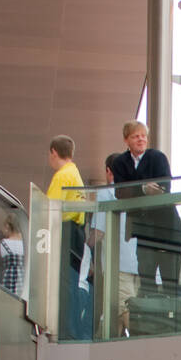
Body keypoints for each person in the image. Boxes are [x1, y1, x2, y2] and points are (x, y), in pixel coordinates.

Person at [110, 121, 181, 318]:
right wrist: (143, 189)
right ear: (127, 140)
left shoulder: (157, 157)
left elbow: (163, 187)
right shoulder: (120, 163)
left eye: (143, 135)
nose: (141, 139)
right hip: (142, 228)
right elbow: (120, 193)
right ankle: (150, 320)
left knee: (170, 278)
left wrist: (135, 191)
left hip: (167, 227)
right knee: (146, 273)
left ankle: (174, 320)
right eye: (136, 136)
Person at [90, 153, 140, 336]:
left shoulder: (106, 193)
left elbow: (99, 232)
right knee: (119, 311)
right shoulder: (134, 192)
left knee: (124, 308)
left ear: (108, 171)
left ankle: (141, 344)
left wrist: (86, 249)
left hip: (118, 265)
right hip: (136, 263)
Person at [44, 136, 86, 339]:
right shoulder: (75, 173)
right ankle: (73, 328)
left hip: (65, 232)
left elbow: (49, 208)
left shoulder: (62, 176)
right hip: (77, 233)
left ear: (54, 152)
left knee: (63, 284)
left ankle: (65, 328)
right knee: (71, 282)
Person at [0, 211, 25, 294]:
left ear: (7, 226)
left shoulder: (0, 244)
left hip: (5, 285)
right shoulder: (26, 246)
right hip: (23, 286)